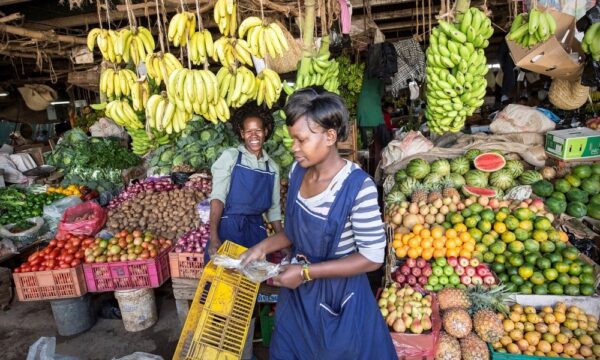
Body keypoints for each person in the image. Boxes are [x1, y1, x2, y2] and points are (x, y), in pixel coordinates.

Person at [240, 89, 397, 359]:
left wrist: (306, 273)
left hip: (339, 299)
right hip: (297, 298)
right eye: (292, 139)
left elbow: (372, 258)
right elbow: (295, 231)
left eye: (301, 139)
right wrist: (261, 248)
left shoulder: (358, 188)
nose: (294, 147)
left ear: (330, 136)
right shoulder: (298, 172)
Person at [206, 102, 283, 359]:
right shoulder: (230, 157)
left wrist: (285, 245)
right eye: (248, 131)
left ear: (266, 131)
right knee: (222, 296)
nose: (253, 135)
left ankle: (245, 352)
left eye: (258, 130)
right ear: (241, 132)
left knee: (246, 300)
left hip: (256, 234)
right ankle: (218, 351)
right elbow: (217, 197)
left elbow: (273, 212)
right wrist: (214, 236)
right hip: (229, 228)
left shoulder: (272, 167)